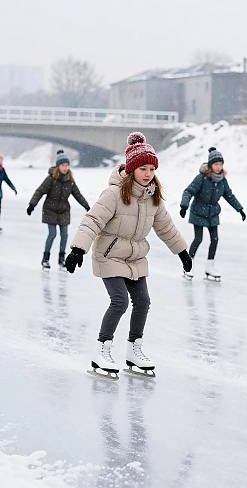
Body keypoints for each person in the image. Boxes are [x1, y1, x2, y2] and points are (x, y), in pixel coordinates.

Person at [65, 132, 192, 378]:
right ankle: (102, 349)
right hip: (109, 256)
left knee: (143, 301)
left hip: (135, 258)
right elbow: (92, 220)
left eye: (152, 169)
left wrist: (182, 251)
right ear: (132, 168)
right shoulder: (113, 194)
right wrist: (78, 249)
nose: (148, 174)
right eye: (143, 168)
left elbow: (166, 227)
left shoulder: (152, 197)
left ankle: (134, 349)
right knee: (120, 301)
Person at [179, 146, 245, 281]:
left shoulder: (222, 180)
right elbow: (189, 191)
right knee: (198, 239)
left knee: (215, 239)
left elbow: (229, 195)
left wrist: (240, 209)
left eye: (220, 164)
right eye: (216, 164)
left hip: (213, 213)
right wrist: (184, 205)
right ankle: (188, 266)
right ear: (210, 165)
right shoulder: (201, 178)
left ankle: (210, 267)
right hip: (198, 211)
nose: (218, 167)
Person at [27, 149, 89, 269]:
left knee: (64, 235)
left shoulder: (70, 180)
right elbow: (39, 191)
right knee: (52, 234)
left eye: (67, 165)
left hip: (64, 211)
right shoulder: (51, 179)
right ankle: (45, 259)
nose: (65, 168)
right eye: (63, 165)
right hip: (50, 210)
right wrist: (32, 205)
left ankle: (62, 259)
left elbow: (78, 195)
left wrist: (87, 206)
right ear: (58, 166)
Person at [0, 155, 17, 231]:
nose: (1, 161)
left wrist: (13, 188)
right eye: (0, 160)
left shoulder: (2, 170)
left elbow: (7, 180)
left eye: (2, 160)